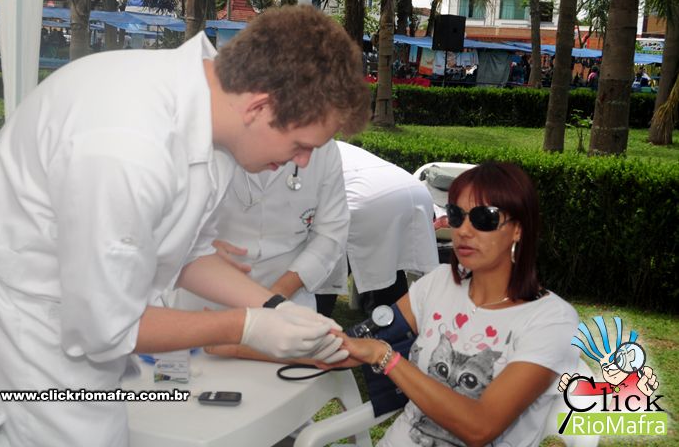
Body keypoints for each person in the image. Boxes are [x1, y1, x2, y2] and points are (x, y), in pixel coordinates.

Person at [0, 6, 370, 447]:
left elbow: (189, 252)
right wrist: (246, 327)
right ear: (260, 106)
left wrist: (277, 308)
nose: (304, 162)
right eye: (301, 146)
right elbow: (106, 330)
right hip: (38, 335)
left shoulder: (212, 116)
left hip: (96, 322)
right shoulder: (126, 149)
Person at [326, 162, 579, 447]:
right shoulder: (439, 283)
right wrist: (308, 341)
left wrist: (386, 357)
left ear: (518, 229)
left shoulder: (552, 321)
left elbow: (480, 427)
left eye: (484, 218)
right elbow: (368, 336)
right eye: (457, 216)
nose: (464, 230)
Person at [173, 139, 349, 317]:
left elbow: (331, 232)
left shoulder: (325, 150)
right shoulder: (200, 142)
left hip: (288, 299)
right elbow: (171, 228)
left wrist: (276, 296)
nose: (303, 160)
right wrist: (195, 245)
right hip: (203, 293)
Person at [337, 142, 439, 313]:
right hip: (416, 192)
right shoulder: (335, 146)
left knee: (326, 269)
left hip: (370, 199)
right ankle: (393, 317)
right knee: (390, 258)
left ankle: (312, 314)